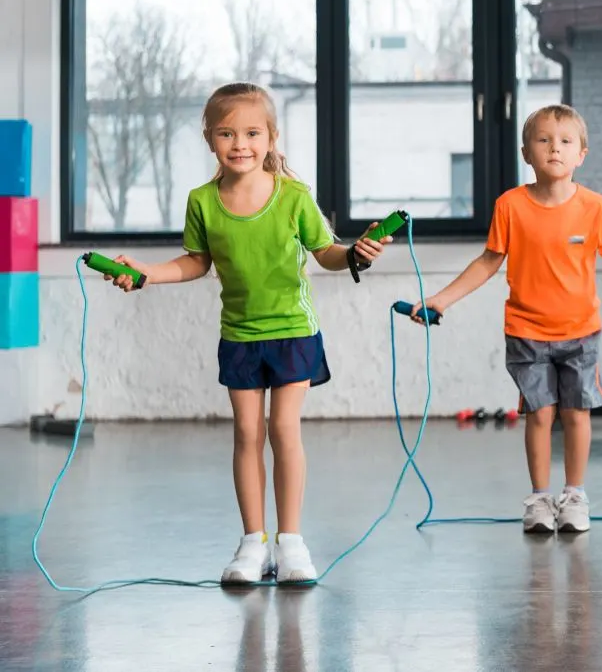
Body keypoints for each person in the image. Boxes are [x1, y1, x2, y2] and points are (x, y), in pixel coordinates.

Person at [104, 82, 391, 585]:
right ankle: (252, 543)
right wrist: (146, 271)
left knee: (283, 430)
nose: (241, 143)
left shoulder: (295, 197)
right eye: (226, 133)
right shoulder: (202, 202)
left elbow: (326, 253)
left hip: (293, 331)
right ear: (210, 140)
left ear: (272, 137)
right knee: (246, 433)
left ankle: (292, 542)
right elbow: (195, 262)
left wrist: (353, 254)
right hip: (238, 335)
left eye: (252, 132)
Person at [410, 104, 602, 534]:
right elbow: (487, 263)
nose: (554, 149)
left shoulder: (595, 208)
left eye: (565, 142)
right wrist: (440, 300)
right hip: (526, 333)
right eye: (543, 140)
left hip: (581, 332)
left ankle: (575, 495)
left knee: (577, 414)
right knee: (540, 414)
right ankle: (541, 500)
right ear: (526, 152)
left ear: (581, 154)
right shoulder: (510, 205)